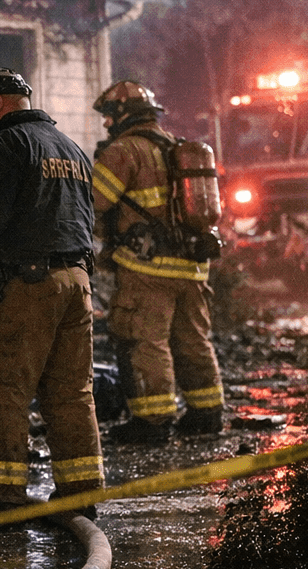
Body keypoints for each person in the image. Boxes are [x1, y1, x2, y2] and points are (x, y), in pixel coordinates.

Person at [0, 69, 103, 517]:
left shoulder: (5, 145)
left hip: (28, 287)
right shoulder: (71, 147)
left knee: (2, 387)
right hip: (77, 282)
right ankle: (81, 496)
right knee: (72, 391)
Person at [91, 80, 226, 444]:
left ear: (123, 116)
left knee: (145, 342)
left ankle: (152, 423)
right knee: (193, 340)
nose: (106, 124)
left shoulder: (123, 151)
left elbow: (92, 204)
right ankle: (207, 415)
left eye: (108, 117)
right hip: (193, 267)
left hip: (147, 268)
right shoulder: (177, 149)